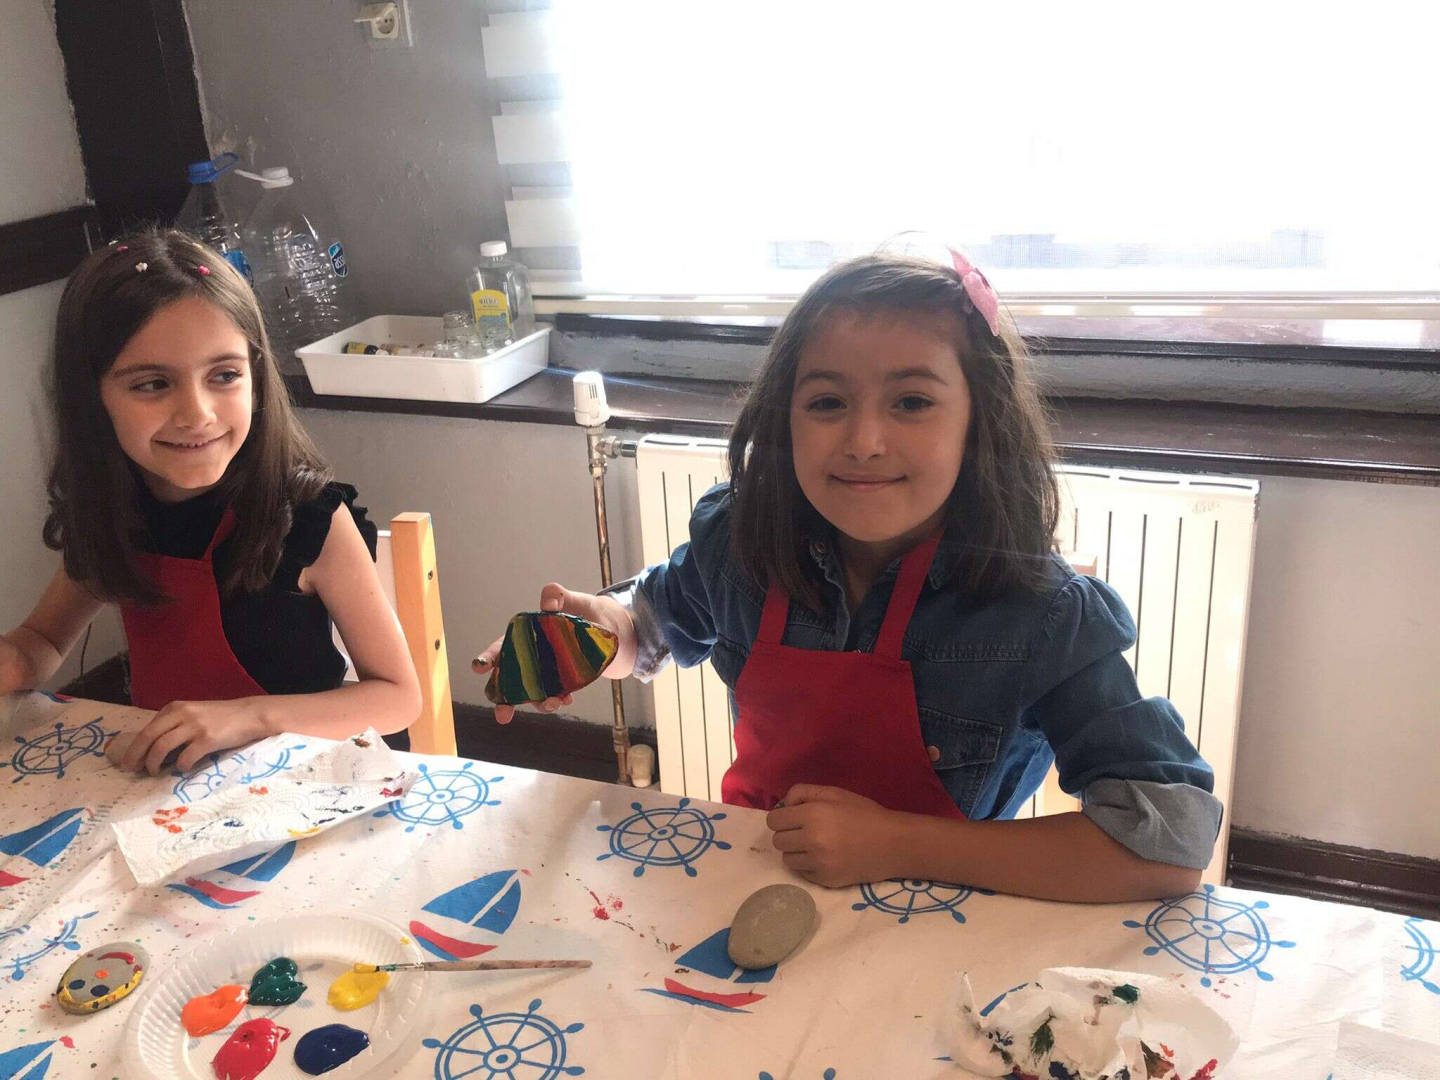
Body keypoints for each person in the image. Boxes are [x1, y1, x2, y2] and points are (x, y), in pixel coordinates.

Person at [475, 250, 1220, 902]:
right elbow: (655, 623)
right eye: (828, 402)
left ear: (979, 423)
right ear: (784, 416)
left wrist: (897, 844)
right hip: (752, 889)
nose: (864, 441)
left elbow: (1171, 841)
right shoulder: (741, 542)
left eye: (912, 402)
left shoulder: (1040, 613)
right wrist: (603, 633)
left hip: (943, 931)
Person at [0, 229, 420, 774]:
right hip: (168, 780)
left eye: (224, 375)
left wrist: (248, 717)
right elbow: (42, 639)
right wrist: (15, 660)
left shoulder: (308, 518)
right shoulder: (113, 513)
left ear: (256, 379)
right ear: (92, 399)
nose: (196, 414)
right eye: (152, 384)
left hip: (302, 783)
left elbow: (397, 697)